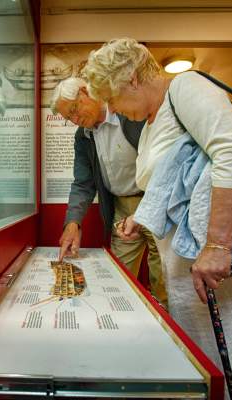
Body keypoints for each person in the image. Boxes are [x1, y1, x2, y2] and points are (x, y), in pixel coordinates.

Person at [83, 38, 232, 400]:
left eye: (112, 97)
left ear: (133, 79)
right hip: (207, 269)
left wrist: (217, 245)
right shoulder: (152, 121)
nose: (113, 109)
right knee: (220, 362)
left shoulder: (185, 87)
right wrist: (140, 219)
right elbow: (174, 182)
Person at [50, 77, 167, 306]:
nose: (75, 120)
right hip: (122, 208)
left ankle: (170, 328)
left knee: (164, 277)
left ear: (85, 92)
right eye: (68, 118)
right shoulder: (82, 136)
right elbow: (83, 183)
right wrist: (72, 223)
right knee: (119, 278)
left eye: (74, 110)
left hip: (154, 201)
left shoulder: (128, 112)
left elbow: (163, 161)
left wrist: (152, 205)